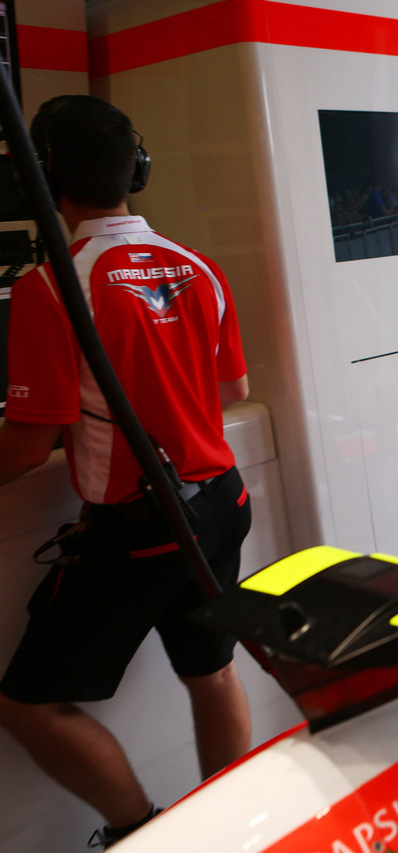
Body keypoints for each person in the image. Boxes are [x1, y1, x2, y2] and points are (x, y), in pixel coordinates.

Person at [0, 95, 252, 849]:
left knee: (25, 705)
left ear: (41, 177)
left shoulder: (53, 286)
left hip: (142, 527)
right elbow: (230, 391)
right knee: (210, 672)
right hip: (220, 505)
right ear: (133, 171)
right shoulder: (196, 265)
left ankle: (140, 831)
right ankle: (234, 828)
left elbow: (22, 447)